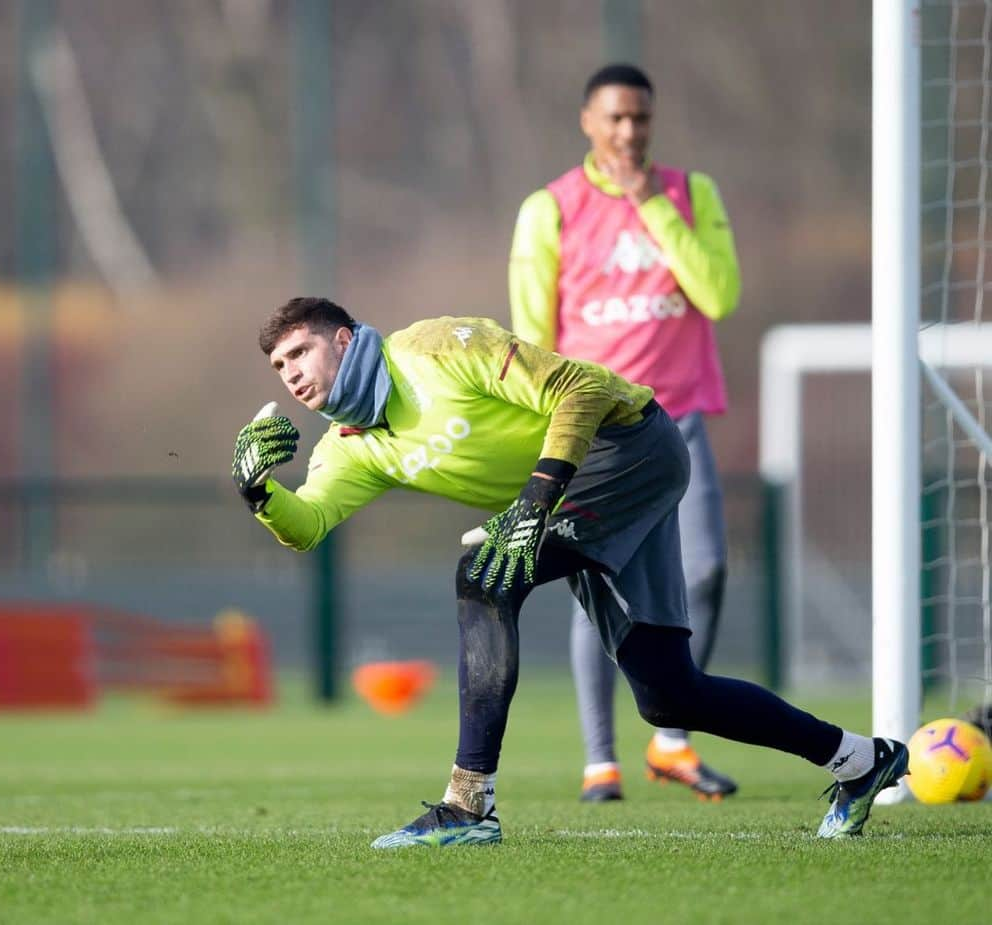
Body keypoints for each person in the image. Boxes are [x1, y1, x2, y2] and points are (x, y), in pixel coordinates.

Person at [232, 296, 909, 848]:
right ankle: (858, 758)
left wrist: (534, 498)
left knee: (482, 575)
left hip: (631, 448)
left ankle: (469, 806)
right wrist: (261, 493)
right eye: (277, 366)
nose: (289, 373)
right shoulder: (350, 447)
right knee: (670, 695)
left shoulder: (434, 347)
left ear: (345, 340)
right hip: (577, 493)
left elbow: (579, 386)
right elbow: (309, 525)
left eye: (299, 351)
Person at [509, 63, 739, 802]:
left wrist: (655, 210)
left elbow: (720, 294)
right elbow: (530, 336)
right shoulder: (550, 208)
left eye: (640, 118)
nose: (628, 132)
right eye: (614, 118)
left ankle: (671, 740)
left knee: (703, 572)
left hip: (680, 419)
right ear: (588, 122)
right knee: (598, 585)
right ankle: (599, 758)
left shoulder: (689, 193)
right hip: (600, 429)